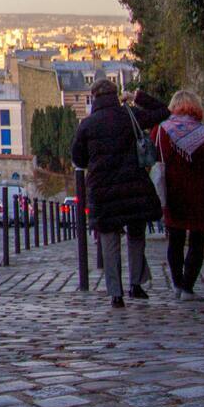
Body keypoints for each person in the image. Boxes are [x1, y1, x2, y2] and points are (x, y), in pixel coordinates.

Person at [71, 80, 169, 308]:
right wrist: (137, 96)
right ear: (116, 95)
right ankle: (136, 283)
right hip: (133, 185)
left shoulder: (87, 125)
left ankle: (115, 292)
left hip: (103, 189)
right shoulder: (130, 115)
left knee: (109, 239)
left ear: (94, 98)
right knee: (136, 235)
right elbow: (164, 111)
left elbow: (78, 159)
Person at [152, 90, 204, 301]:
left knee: (175, 241)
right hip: (199, 196)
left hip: (172, 193)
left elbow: (152, 158)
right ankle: (187, 287)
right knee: (197, 241)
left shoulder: (161, 131)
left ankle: (176, 284)